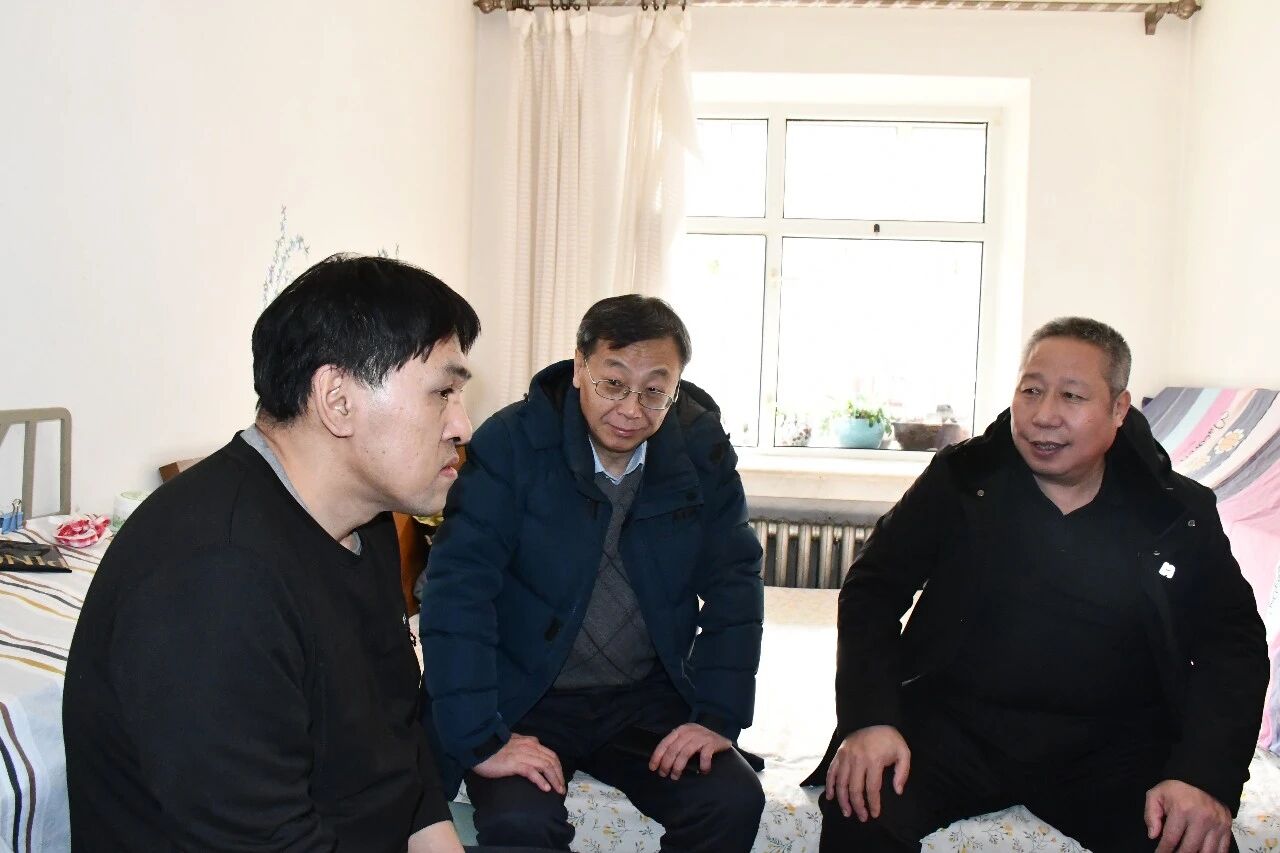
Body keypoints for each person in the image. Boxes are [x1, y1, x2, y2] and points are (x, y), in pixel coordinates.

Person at [65, 255, 497, 852]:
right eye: (443, 392)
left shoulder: (364, 521)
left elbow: (399, 745)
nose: (463, 426)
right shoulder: (214, 577)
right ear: (337, 399)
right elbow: (262, 839)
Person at [811, 317, 1268, 853]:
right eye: (1031, 391)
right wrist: (870, 720)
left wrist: (1203, 776)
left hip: (1115, 746)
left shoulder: (1173, 511)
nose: (1044, 415)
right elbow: (873, 588)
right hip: (956, 728)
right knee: (859, 809)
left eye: (1072, 396)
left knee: (1189, 841)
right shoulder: (964, 480)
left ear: (1118, 409)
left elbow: (1231, 642)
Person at [419, 294, 766, 852]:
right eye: (613, 383)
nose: (632, 409)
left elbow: (736, 581)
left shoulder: (700, 449)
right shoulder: (511, 444)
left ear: (676, 387)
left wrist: (718, 715)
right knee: (521, 824)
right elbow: (458, 592)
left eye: (654, 390)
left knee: (731, 800)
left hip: (645, 697)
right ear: (580, 366)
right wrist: (481, 737)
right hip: (527, 695)